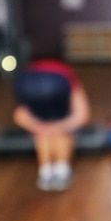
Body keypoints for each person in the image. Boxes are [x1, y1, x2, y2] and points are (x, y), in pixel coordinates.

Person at [12, 57, 90, 190]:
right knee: (62, 126)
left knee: (42, 127)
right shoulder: (63, 71)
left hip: (27, 79)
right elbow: (82, 115)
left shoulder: (25, 72)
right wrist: (59, 128)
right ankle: (62, 172)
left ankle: (46, 173)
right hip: (58, 78)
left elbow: (19, 115)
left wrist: (40, 127)